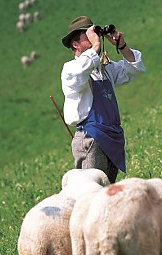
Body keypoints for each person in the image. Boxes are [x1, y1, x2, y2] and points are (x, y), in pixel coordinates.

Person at [61, 16, 146, 183]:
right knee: (91, 193)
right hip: (90, 137)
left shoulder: (103, 68)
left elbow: (133, 71)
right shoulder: (70, 69)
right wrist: (96, 47)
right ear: (75, 44)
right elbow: (81, 73)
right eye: (88, 35)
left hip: (111, 137)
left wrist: (122, 46)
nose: (95, 37)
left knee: (107, 193)